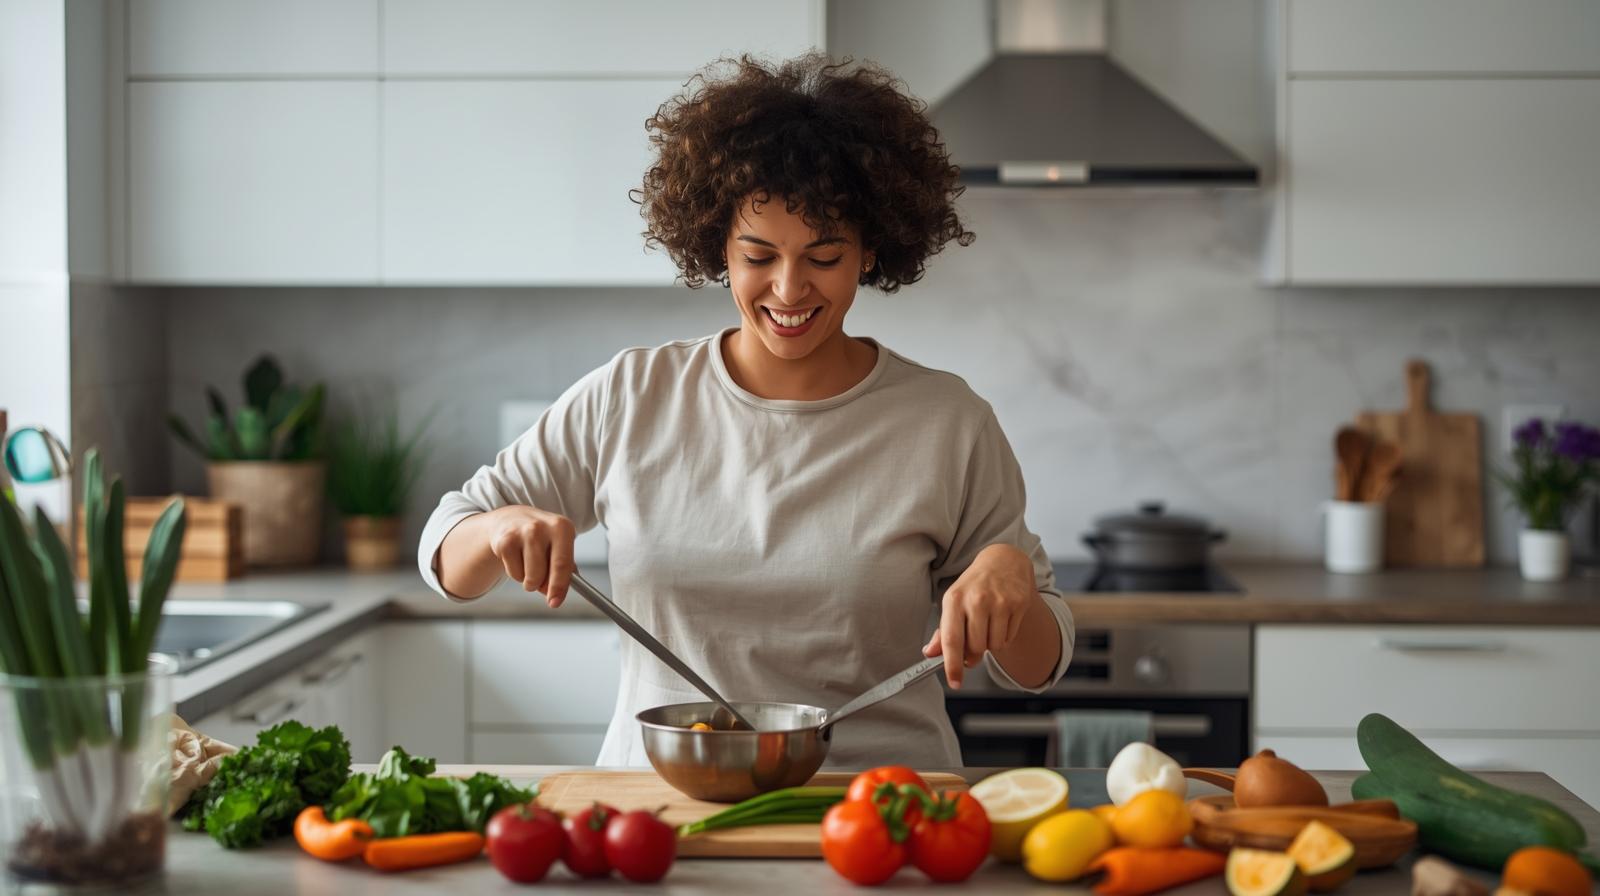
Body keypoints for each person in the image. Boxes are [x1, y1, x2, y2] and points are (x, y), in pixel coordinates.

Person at [418, 53, 1074, 768]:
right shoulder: (630, 395)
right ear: (718, 248)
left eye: (824, 257)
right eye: (759, 256)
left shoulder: (947, 421)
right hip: (662, 803)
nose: (789, 290)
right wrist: (498, 527)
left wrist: (1009, 572)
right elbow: (446, 553)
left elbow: (1037, 668)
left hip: (875, 804)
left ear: (869, 251)